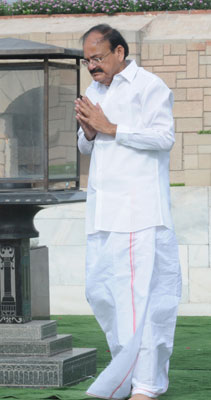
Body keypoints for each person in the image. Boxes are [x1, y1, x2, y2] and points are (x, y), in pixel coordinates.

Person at [74, 24, 182, 400]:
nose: (92, 66)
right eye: (87, 61)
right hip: (102, 211)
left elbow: (164, 138)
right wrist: (89, 132)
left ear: (120, 52)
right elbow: (87, 147)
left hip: (139, 212)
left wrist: (111, 127)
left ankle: (146, 384)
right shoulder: (93, 90)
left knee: (141, 304)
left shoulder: (149, 86)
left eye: (98, 58)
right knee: (102, 296)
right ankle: (127, 373)